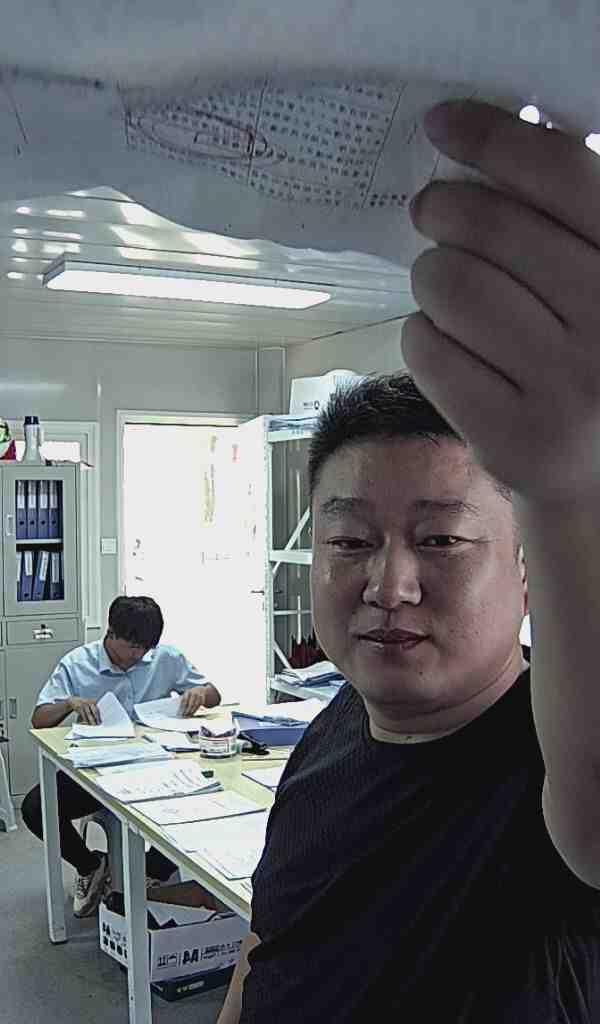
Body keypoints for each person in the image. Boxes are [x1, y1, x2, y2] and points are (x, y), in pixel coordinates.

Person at [218, 102, 600, 1023]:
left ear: (527, 568)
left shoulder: (550, 770)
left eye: (440, 540)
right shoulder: (332, 731)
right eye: (350, 541)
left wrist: (573, 495)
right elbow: (268, 947)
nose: (388, 586)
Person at [22, 595, 221, 918]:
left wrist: (201, 693)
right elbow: (39, 720)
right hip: (97, 773)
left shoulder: (166, 657)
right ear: (110, 633)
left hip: (156, 768)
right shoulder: (78, 663)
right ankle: (90, 866)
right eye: (132, 647)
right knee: (35, 808)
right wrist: (69, 704)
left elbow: (214, 694)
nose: (139, 655)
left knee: (208, 802)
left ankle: (151, 873)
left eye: (146, 648)